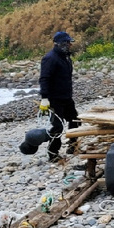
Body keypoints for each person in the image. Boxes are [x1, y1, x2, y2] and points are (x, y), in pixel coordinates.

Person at [39, 31, 79, 162]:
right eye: (67, 43)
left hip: (66, 97)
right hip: (54, 99)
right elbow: (44, 79)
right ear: (59, 44)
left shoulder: (66, 57)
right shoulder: (50, 58)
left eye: (69, 42)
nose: (70, 45)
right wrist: (44, 98)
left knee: (75, 120)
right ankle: (53, 154)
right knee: (57, 127)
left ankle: (73, 146)